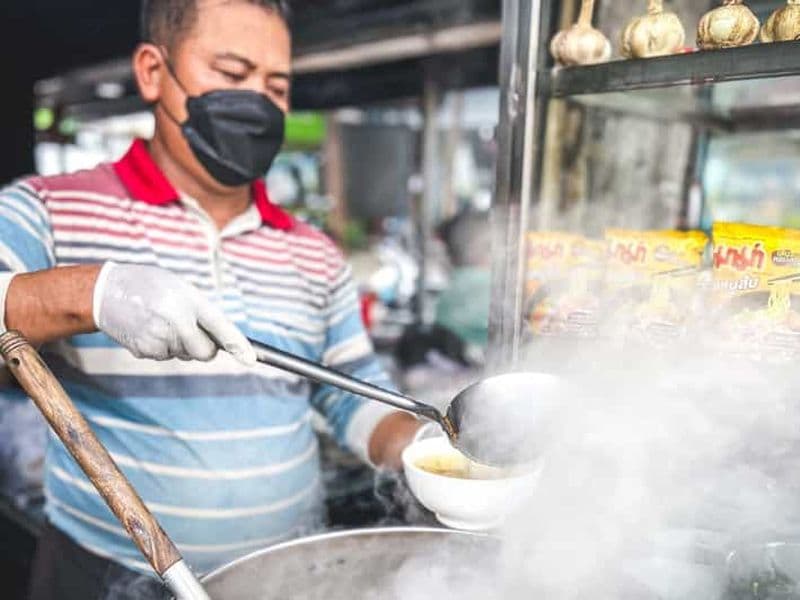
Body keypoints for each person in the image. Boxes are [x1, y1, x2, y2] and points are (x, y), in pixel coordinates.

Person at [0, 1, 421, 597]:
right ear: (152, 72)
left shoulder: (314, 253)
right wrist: (92, 293)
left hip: (285, 578)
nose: (258, 99)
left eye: (276, 85)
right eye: (230, 72)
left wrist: (426, 451)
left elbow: (351, 394)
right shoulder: (46, 210)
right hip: (106, 578)